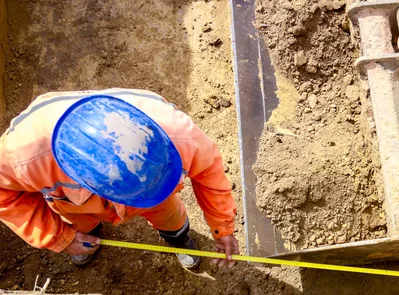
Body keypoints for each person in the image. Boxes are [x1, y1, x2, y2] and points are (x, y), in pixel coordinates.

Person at [0, 89, 239, 269]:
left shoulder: (180, 136)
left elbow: (209, 172)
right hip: (75, 204)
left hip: (156, 196)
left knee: (169, 215)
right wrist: (60, 237)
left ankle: (178, 238)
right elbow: (4, 196)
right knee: (80, 220)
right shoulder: (24, 156)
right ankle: (86, 235)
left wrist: (223, 227)